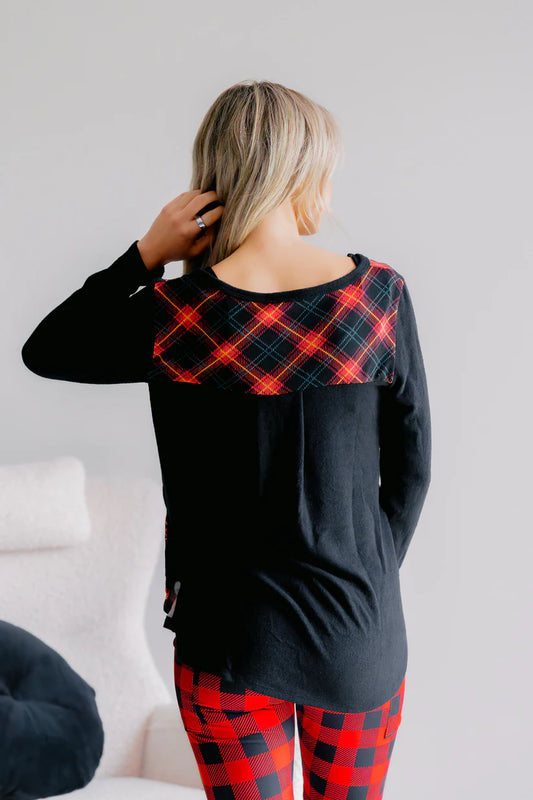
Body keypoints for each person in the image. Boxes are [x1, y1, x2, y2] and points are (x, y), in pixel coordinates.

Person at [21, 80, 432, 800]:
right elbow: (411, 467)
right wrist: (366, 575)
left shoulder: (175, 315)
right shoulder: (375, 301)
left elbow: (49, 348)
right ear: (306, 171)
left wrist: (144, 255)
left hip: (226, 644)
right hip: (356, 636)